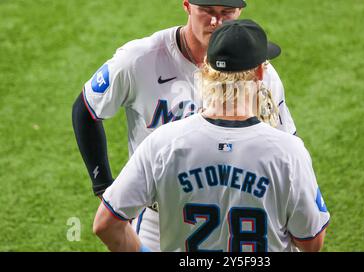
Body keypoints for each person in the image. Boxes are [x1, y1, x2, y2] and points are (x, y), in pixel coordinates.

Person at [72, 0, 297, 252]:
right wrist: (103, 186)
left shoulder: (258, 69)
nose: (216, 22)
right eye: (206, 11)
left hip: (237, 213)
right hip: (158, 219)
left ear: (240, 9)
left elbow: (285, 142)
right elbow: (86, 108)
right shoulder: (139, 59)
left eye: (226, 12)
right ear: (186, 4)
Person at [93, 19, 330, 252]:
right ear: (259, 72)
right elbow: (311, 241)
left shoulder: (161, 144)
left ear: (206, 68)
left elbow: (106, 225)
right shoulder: (289, 152)